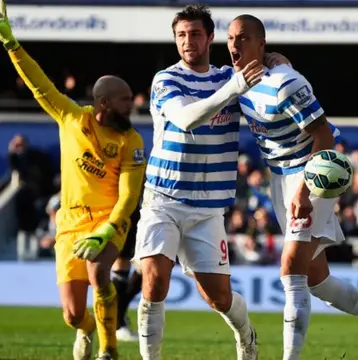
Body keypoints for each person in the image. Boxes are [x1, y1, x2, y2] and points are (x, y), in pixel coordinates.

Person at [227, 15, 358, 360]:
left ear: (260, 44)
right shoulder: (239, 81)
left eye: (244, 38)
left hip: (313, 173)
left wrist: (305, 191)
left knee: (290, 267)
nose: (234, 45)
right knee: (317, 281)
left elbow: (323, 136)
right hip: (278, 177)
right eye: (231, 38)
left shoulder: (287, 82)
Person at [0, 2, 146, 360]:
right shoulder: (71, 118)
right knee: (72, 314)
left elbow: (128, 197)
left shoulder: (132, 141)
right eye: (125, 102)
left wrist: (109, 230)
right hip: (69, 224)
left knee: (99, 271)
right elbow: (38, 83)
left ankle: (109, 349)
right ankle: (88, 330)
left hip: (109, 222)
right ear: (103, 103)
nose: (132, 106)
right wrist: (12, 45)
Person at [133, 4, 288, 360]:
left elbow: (276, 92)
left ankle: (246, 335)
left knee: (218, 298)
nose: (188, 41)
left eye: (195, 34)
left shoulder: (227, 77)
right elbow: (187, 118)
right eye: (181, 35)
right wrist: (235, 86)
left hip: (208, 210)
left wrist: (280, 65)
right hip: (164, 199)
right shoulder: (166, 79)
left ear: (210, 38)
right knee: (154, 281)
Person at [112, 206, 143, 342]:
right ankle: (118, 323)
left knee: (147, 270)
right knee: (121, 260)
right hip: (128, 209)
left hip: (157, 207)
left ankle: (116, 317)